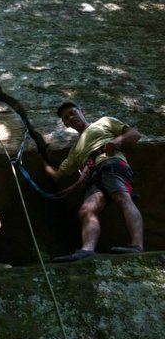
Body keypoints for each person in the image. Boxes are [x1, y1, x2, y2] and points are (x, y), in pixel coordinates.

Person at [44, 101, 143, 262]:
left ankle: (137, 245)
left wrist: (116, 142)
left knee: (122, 198)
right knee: (86, 210)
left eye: (72, 112)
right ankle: (87, 250)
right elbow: (58, 175)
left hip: (112, 163)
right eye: (66, 117)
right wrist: (40, 161)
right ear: (66, 124)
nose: (71, 117)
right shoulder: (75, 150)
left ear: (82, 111)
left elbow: (134, 134)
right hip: (92, 175)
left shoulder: (104, 122)